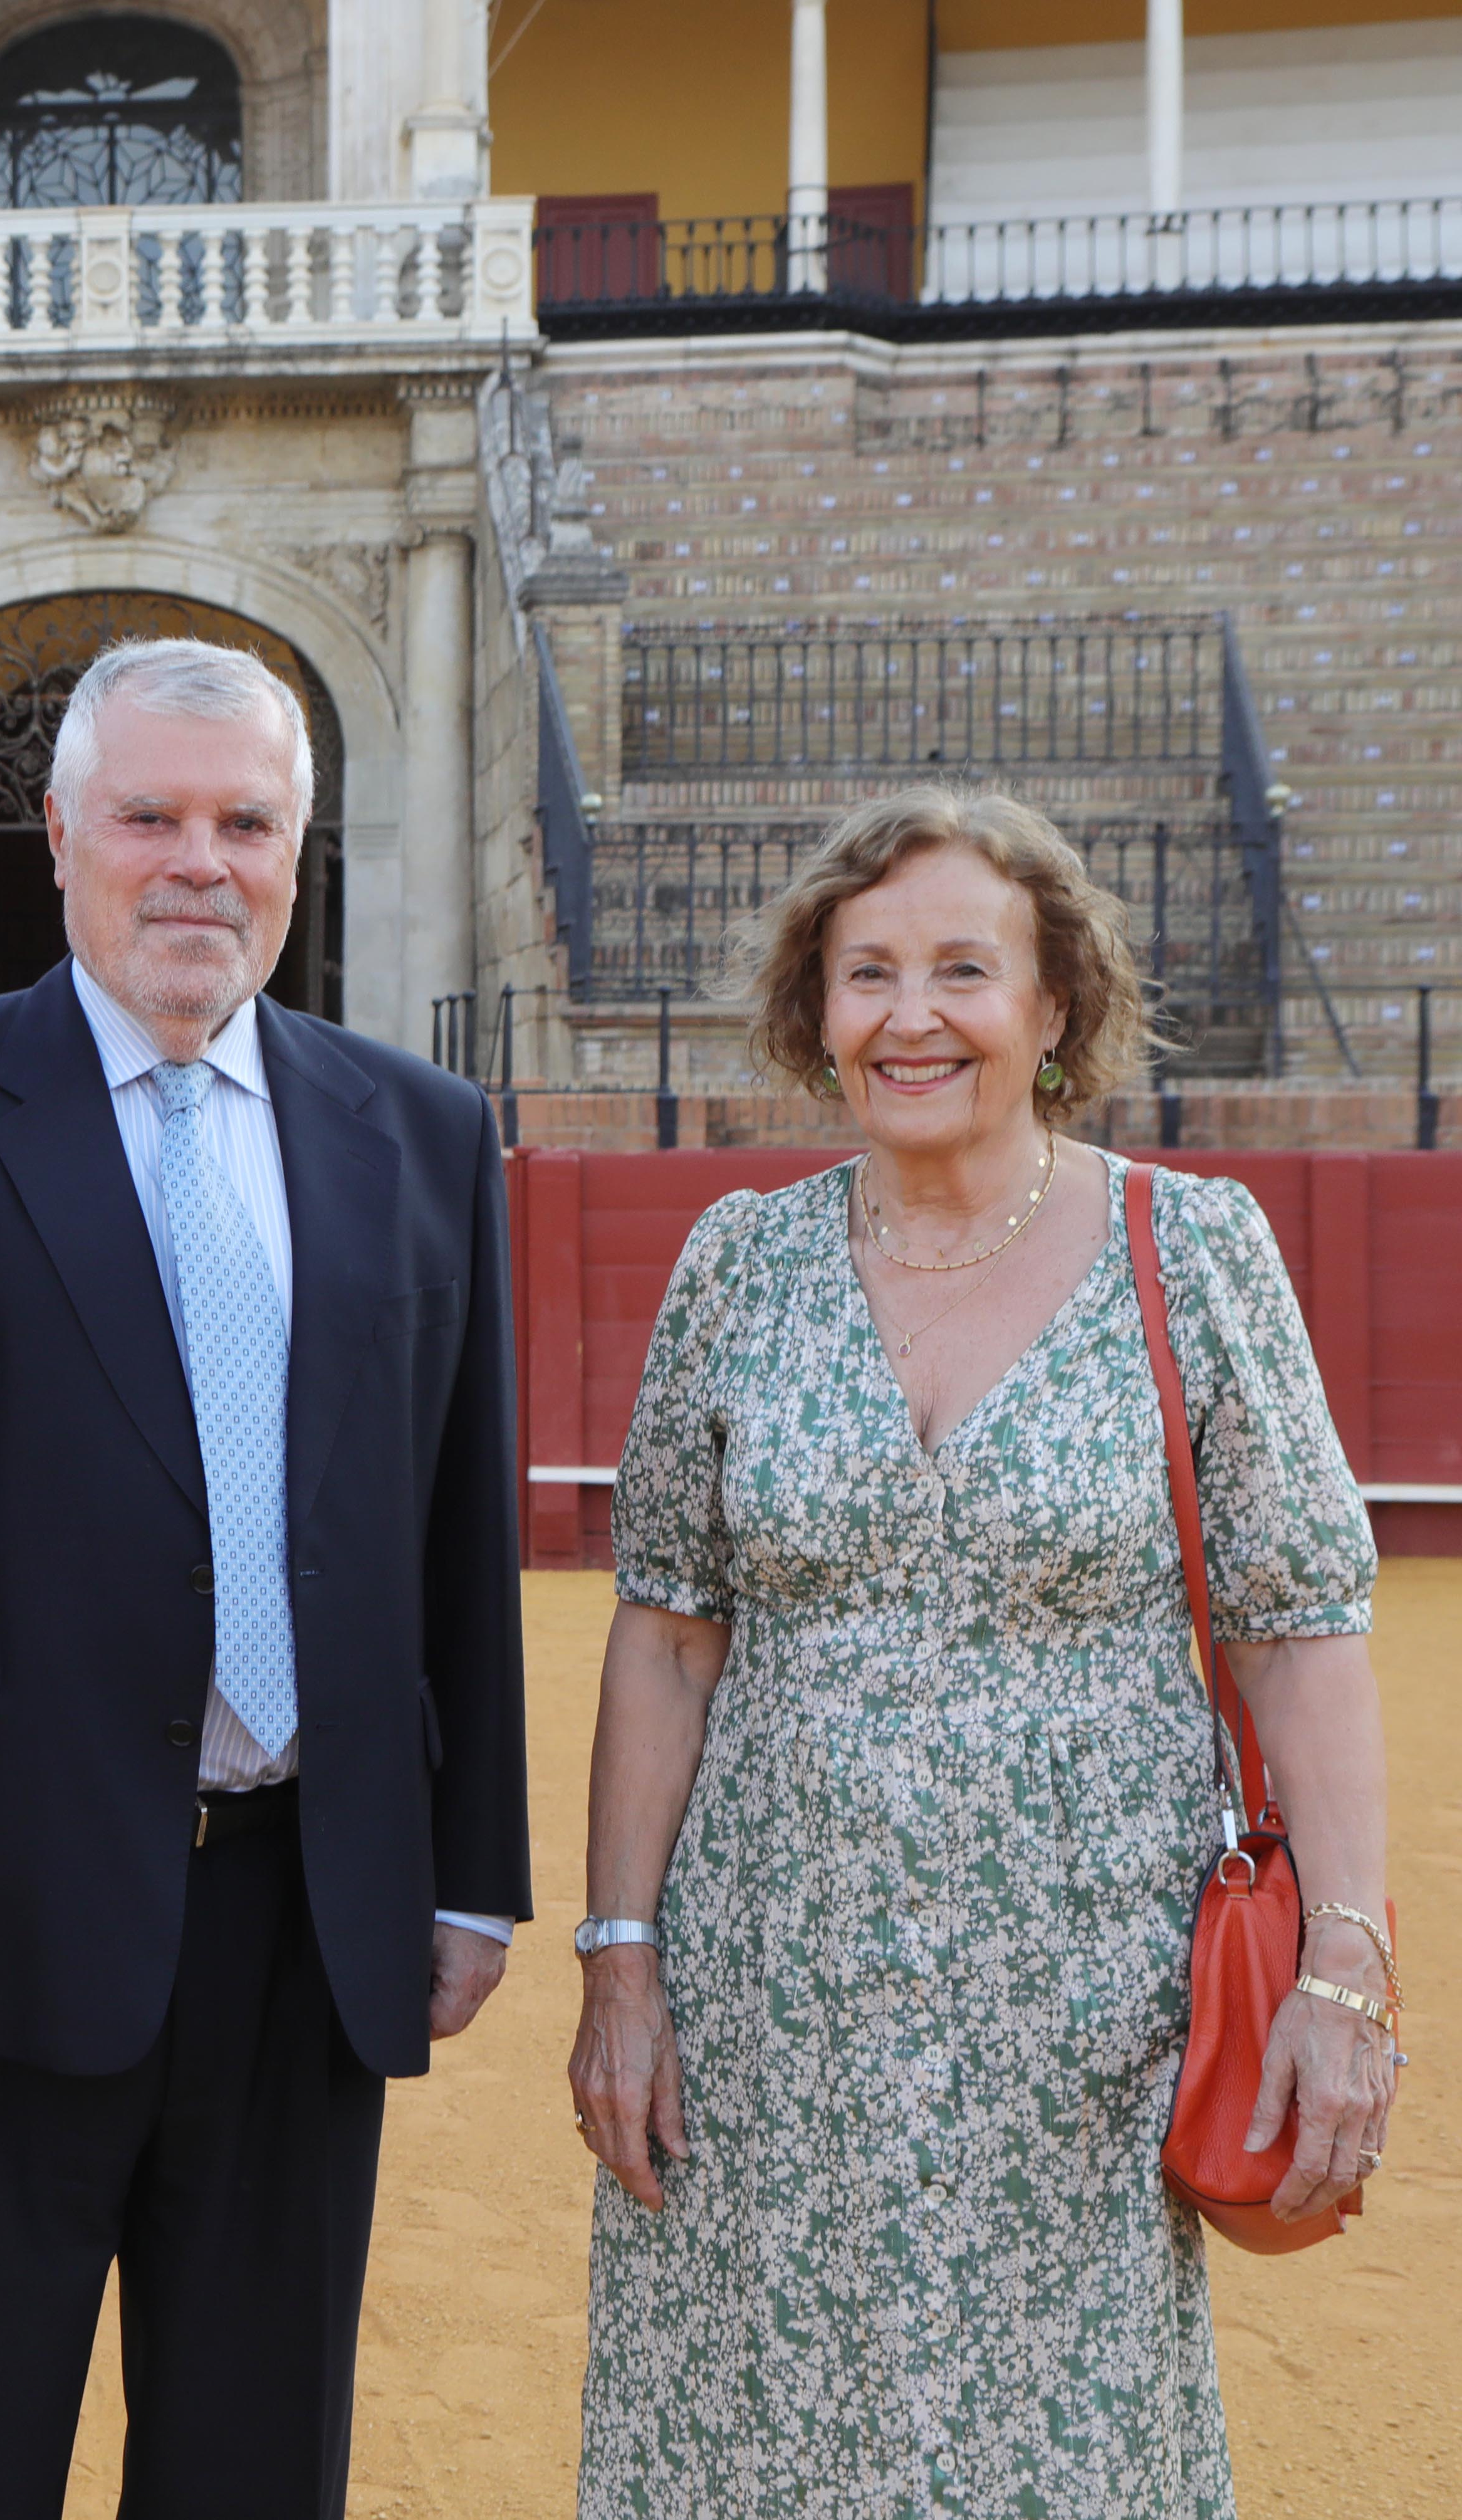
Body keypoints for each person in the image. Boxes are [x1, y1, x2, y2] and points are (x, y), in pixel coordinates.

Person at [0, 634, 529, 2520]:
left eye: (247, 824)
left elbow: (451, 1537)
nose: (198, 864)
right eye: (150, 816)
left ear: (298, 852)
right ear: (64, 837)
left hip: (309, 1917)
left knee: (255, 2467)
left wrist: (468, 1871)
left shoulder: (416, 1131)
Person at [568, 789, 1395, 2520]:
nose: (912, 1016)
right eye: (867, 972)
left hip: (1088, 2028)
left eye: (963, 969)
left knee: (1064, 2464)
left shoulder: (1196, 1252)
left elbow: (1298, 1635)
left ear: (1054, 1005)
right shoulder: (740, 1264)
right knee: (751, 2440)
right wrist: (622, 1964)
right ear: (817, 1013)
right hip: (767, 2013)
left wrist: (1342, 1970)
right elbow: (666, 1640)